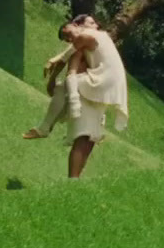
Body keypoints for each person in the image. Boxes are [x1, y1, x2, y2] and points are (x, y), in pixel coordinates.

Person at [22, 15, 129, 178]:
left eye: (68, 33)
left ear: (75, 25)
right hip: (111, 83)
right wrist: (54, 69)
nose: (69, 38)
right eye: (66, 38)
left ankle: (45, 127)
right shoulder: (89, 41)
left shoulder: (88, 36)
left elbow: (67, 57)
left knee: (65, 85)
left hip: (105, 79)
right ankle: (76, 176)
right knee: (88, 138)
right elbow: (69, 55)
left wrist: (52, 71)